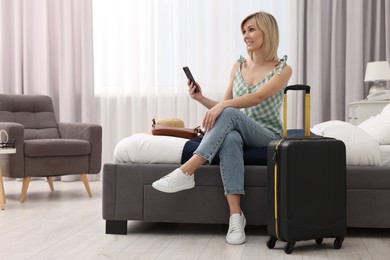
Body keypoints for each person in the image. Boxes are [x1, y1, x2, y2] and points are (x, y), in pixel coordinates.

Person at [152, 11, 292, 245]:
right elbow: (224, 105)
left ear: (267, 31)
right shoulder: (238, 65)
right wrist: (201, 98)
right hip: (237, 128)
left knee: (229, 113)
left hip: (266, 134)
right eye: (244, 31)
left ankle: (187, 171)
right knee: (230, 139)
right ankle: (235, 217)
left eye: (251, 29)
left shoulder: (282, 69)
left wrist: (223, 107)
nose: (246, 35)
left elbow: (256, 98)